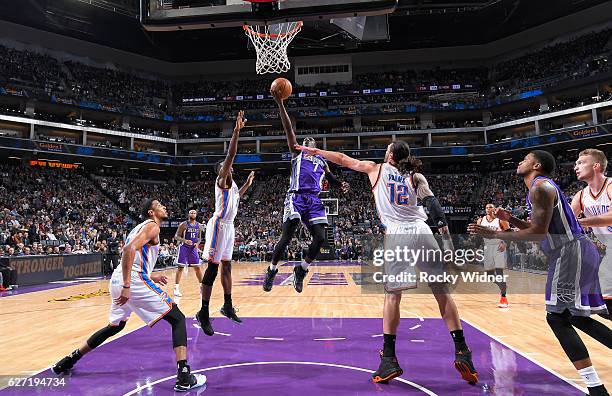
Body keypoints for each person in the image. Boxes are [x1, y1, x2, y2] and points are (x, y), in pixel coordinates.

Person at [295, 140, 478, 386]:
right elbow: (435, 209)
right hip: (423, 231)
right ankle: (463, 351)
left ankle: (389, 358)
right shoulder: (416, 177)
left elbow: (341, 158)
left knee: (393, 296)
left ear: (390, 154)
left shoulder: (375, 169)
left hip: (398, 234)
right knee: (442, 293)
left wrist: (315, 151)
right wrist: (447, 242)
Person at [469, 150, 611, 396]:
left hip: (570, 251)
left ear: (536, 165)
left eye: (525, 159)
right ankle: (596, 388)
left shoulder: (540, 187)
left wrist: (494, 234)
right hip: (574, 250)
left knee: (556, 318)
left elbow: (536, 234)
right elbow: (540, 230)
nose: (519, 162)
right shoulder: (540, 188)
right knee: (574, 317)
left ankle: (596, 389)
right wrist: (511, 219)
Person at [51, 199, 206, 392]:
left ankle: (69, 360)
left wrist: (150, 277)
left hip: (118, 279)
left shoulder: (139, 228)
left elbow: (134, 256)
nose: (164, 206)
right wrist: (127, 285)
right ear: (151, 212)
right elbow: (128, 250)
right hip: (129, 281)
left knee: (115, 326)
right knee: (178, 318)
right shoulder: (152, 226)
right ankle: (184, 376)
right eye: (159, 204)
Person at [263, 88, 349, 293]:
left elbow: (331, 179)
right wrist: (280, 104)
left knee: (320, 239)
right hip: (296, 197)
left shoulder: (321, 160)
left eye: (311, 142)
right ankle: (272, 270)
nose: (307, 142)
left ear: (316, 146)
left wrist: (340, 185)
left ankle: (300, 270)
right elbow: (288, 129)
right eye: (304, 142)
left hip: (314, 200)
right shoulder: (297, 153)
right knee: (286, 239)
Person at [196, 111, 256, 336]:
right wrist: (237, 132)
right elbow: (231, 155)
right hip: (218, 226)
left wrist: (248, 185)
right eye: (226, 166)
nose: (229, 167)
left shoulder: (232, 187)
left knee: (227, 265)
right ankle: (203, 311)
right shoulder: (222, 180)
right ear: (221, 170)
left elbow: (237, 198)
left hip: (229, 227)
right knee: (212, 268)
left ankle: (227, 305)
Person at [571, 148, 612, 319]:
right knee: (601, 301)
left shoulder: (610, 186)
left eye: (581, 162)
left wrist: (579, 222)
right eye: (575, 163)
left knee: (602, 291)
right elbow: (565, 222)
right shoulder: (580, 196)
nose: (576, 167)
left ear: (596, 166)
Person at [477, 203, 510, 307]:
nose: (488, 209)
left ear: (494, 209)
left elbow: (509, 232)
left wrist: (505, 243)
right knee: (490, 276)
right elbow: (478, 235)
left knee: (499, 272)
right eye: (486, 207)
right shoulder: (481, 220)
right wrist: (476, 248)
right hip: (487, 247)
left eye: (490, 207)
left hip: (498, 247)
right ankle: (503, 286)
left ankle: (503, 298)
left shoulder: (500, 220)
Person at [173, 209, 204, 297]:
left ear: (196, 214)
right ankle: (176, 289)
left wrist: (197, 244)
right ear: (188, 214)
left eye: (194, 213)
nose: (193, 214)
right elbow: (176, 236)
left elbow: (199, 238)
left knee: (197, 268)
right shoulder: (183, 224)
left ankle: (202, 287)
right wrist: (185, 240)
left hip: (193, 248)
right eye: (191, 212)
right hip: (184, 247)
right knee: (180, 268)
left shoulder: (199, 225)